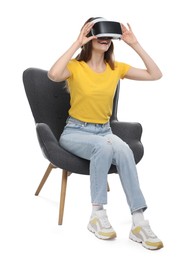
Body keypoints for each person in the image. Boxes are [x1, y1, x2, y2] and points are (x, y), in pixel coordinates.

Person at [48, 17, 163, 250]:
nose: (104, 39)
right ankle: (97, 214)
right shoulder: (75, 67)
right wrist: (77, 41)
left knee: (123, 149)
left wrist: (135, 44)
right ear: (89, 38)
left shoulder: (116, 68)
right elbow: (52, 74)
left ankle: (138, 221)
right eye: (98, 34)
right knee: (105, 146)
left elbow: (155, 74)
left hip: (104, 131)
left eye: (108, 36)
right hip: (75, 131)